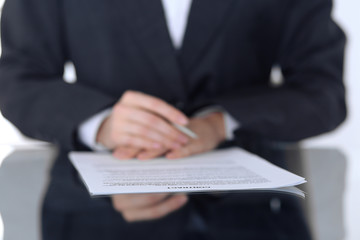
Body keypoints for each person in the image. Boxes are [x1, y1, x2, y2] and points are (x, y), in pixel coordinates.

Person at [0, 0, 346, 239]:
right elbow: (18, 78)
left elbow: (323, 91)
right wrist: (100, 122)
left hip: (252, 214)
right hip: (93, 218)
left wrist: (222, 121)